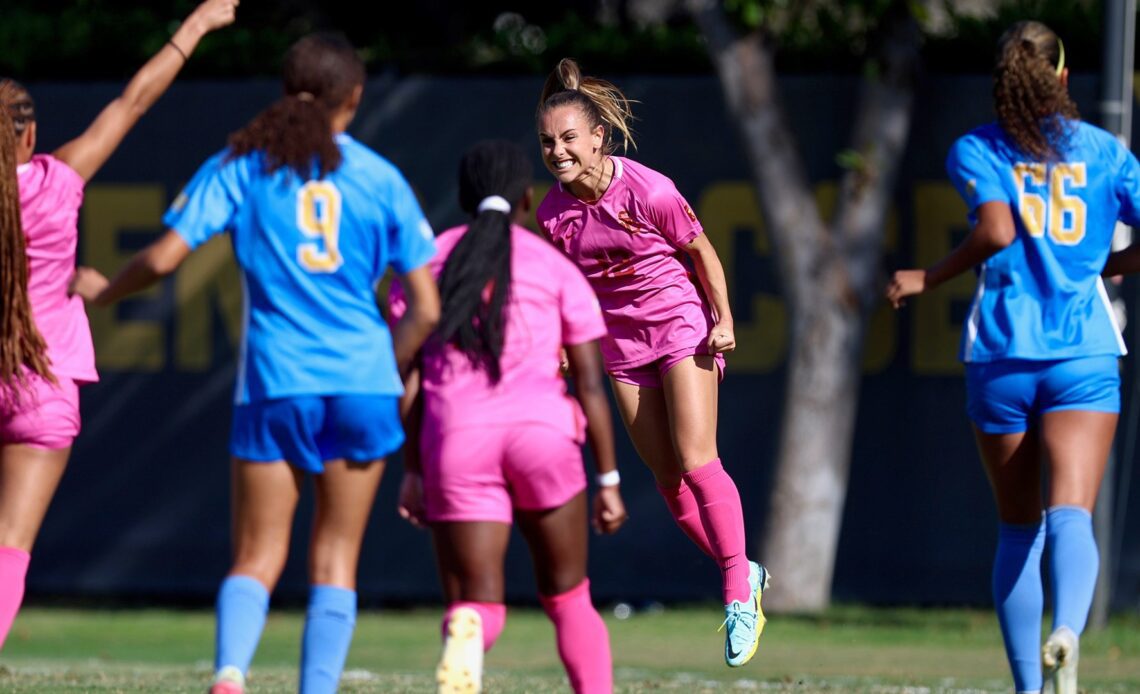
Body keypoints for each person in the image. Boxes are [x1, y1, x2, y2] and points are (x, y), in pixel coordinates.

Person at [70, 33, 440, 694]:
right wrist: (385, 364)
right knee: (335, 558)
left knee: (258, 554)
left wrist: (105, 290)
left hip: (276, 384)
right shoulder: (381, 178)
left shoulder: (242, 165)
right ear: (352, 99)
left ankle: (231, 675)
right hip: (362, 385)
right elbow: (427, 308)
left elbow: (161, 259)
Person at [887, 21, 1139, 694]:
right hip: (1082, 351)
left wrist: (928, 277)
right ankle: (1069, 631)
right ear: (1060, 76)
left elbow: (996, 228)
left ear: (1001, 80)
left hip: (1002, 353)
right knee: (1072, 514)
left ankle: (1029, 687)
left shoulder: (978, 149)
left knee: (1018, 529)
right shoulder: (1106, 152)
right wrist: (1109, 264)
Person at [0, 0, 238, 652]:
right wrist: (194, 27)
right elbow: (133, 102)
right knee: (10, 547)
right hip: (43, 386)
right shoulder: (59, 177)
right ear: (27, 136)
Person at [534, 58, 767, 668]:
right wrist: (561, 342)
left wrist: (724, 318)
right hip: (621, 346)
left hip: (679, 328)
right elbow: (563, 286)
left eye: (568, 139)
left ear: (597, 139)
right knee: (667, 481)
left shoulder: (648, 189)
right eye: (547, 142)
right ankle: (742, 567)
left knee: (697, 459)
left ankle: (739, 595)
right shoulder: (552, 214)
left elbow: (703, 252)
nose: (557, 151)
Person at [391, 140, 626, 694]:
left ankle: (468, 630)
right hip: (543, 435)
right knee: (569, 598)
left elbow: (409, 381)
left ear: (465, 197)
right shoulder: (554, 265)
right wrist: (609, 478)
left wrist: (414, 469)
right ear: (527, 198)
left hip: (457, 439)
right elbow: (591, 379)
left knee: (476, 599)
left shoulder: (425, 264)